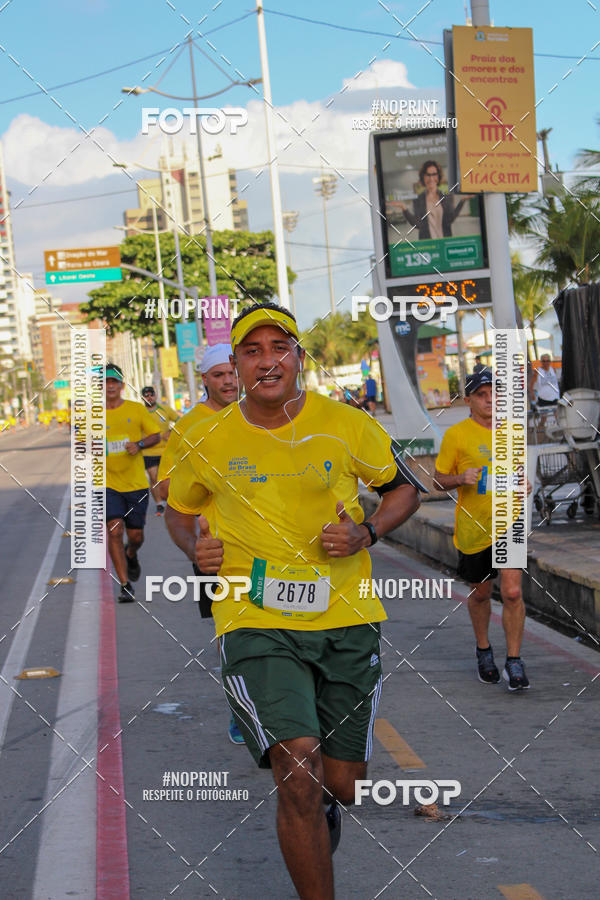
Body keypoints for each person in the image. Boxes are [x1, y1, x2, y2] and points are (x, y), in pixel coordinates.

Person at [165, 302, 422, 898]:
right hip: (252, 614)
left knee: (344, 783)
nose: (266, 361)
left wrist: (367, 531)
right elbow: (180, 513)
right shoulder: (204, 435)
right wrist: (193, 551)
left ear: (298, 358)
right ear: (234, 366)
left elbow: (404, 489)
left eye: (278, 347)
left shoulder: (345, 423)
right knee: (297, 769)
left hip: (347, 615)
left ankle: (326, 807)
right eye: (251, 352)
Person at [157, 344, 243, 744]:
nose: (228, 381)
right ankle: (241, 708)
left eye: (232, 372)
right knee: (231, 630)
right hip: (216, 546)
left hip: (269, 541)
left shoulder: (260, 416)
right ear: (205, 379)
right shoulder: (190, 427)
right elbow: (164, 486)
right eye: (219, 374)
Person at [433, 370, 531, 691]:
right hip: (474, 529)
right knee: (481, 593)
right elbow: (438, 479)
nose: (490, 400)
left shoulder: (512, 431)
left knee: (513, 592)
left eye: (495, 394)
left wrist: (524, 485)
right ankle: (484, 649)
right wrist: (460, 479)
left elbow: (517, 474)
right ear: (468, 401)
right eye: (482, 395)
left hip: (510, 523)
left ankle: (514, 660)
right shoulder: (456, 436)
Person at [104, 363, 161, 603]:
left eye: (114, 382)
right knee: (114, 530)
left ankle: (131, 553)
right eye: (105, 383)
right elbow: (80, 443)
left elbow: (155, 435)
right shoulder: (93, 416)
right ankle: (125, 585)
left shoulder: (137, 410)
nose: (110, 386)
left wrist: (138, 445)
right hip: (108, 484)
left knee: (136, 536)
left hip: (136, 483)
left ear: (121, 385)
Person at [395, 160, 470, 240]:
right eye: (428, 175)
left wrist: (462, 201)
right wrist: (404, 209)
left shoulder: (447, 197)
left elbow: (449, 219)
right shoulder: (418, 200)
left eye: (434, 174)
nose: (431, 178)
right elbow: (418, 224)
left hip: (445, 242)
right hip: (428, 245)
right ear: (423, 177)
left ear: (438, 176)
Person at [140, 386, 179, 517]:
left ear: (155, 396)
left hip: (166, 451)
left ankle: (172, 501)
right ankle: (159, 503)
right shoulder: (140, 412)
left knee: (169, 478)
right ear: (143, 397)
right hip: (148, 452)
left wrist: (171, 432)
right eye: (146, 395)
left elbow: (181, 422)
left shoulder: (165, 409)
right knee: (153, 477)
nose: (149, 397)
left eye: (151, 394)